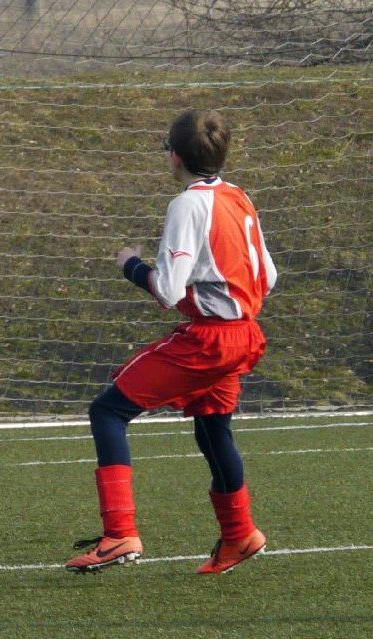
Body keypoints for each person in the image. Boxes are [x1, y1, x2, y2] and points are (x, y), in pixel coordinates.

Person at [66, 109, 277, 575]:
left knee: (108, 411)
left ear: (175, 156)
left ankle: (119, 534)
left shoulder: (187, 205)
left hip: (212, 338)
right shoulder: (239, 196)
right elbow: (270, 275)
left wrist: (130, 265)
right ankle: (240, 534)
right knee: (212, 427)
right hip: (245, 333)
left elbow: (167, 288)